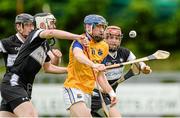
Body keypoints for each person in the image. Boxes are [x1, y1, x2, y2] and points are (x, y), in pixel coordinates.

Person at [0, 12, 86, 117]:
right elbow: (51, 33)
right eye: (51, 23)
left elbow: (48, 67)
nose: (54, 26)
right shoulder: (35, 34)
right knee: (31, 115)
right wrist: (77, 37)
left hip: (23, 87)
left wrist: (70, 70)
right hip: (14, 83)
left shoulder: (43, 44)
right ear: (41, 24)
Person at [91, 25, 152, 117]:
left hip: (110, 95)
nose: (114, 41)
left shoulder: (124, 52)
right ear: (104, 38)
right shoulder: (98, 53)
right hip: (95, 94)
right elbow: (93, 76)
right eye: (111, 38)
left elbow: (137, 61)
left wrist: (143, 68)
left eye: (117, 38)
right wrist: (101, 88)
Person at [63, 14, 118, 117]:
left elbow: (100, 75)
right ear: (89, 27)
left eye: (103, 27)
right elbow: (78, 55)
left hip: (88, 92)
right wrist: (93, 65)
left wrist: (111, 92)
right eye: (99, 26)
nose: (102, 30)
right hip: (74, 87)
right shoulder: (80, 40)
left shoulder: (104, 46)